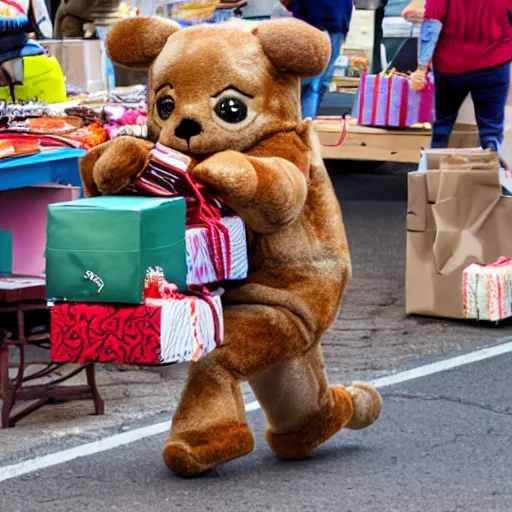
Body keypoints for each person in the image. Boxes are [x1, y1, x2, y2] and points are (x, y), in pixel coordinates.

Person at [410, 0, 512, 165]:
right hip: (495, 62)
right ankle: (490, 181)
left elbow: (432, 23)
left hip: (450, 66)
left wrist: (422, 67)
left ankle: (433, 176)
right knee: (491, 132)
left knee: (442, 126)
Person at [291, 0, 354, 119]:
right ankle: (307, 120)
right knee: (318, 81)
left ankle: (305, 120)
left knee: (312, 81)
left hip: (315, 24)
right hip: (335, 24)